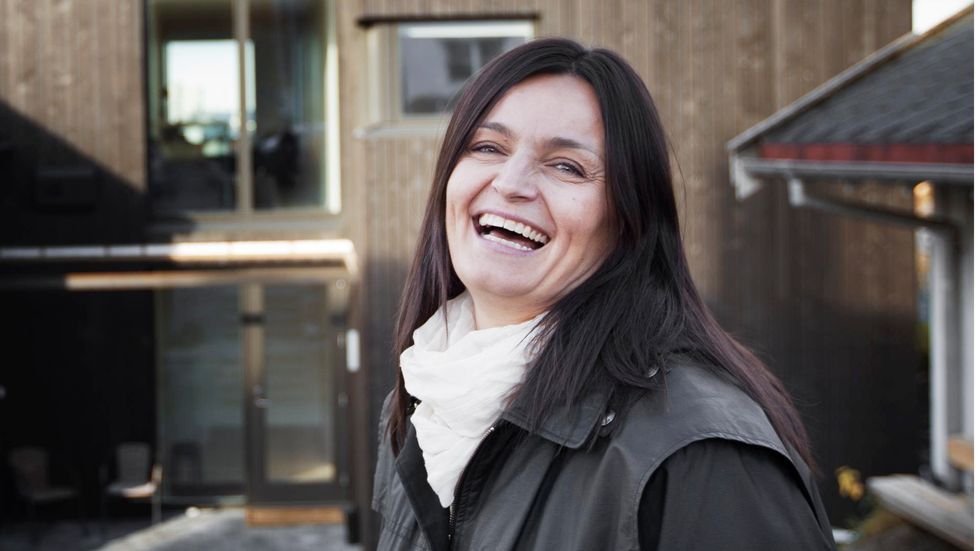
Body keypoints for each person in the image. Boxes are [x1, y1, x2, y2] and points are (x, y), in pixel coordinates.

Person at [372, 37, 835, 550]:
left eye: (567, 166)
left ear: (628, 222)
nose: (511, 183)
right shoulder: (425, 403)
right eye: (488, 148)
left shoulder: (696, 453)